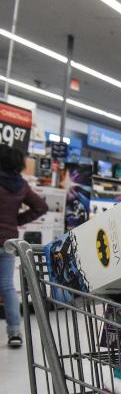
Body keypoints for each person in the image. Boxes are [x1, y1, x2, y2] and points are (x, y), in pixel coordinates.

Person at [0, 144, 49, 348]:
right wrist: (16, 221)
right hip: (7, 242)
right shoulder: (21, 185)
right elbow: (41, 206)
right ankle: (15, 333)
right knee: (7, 286)